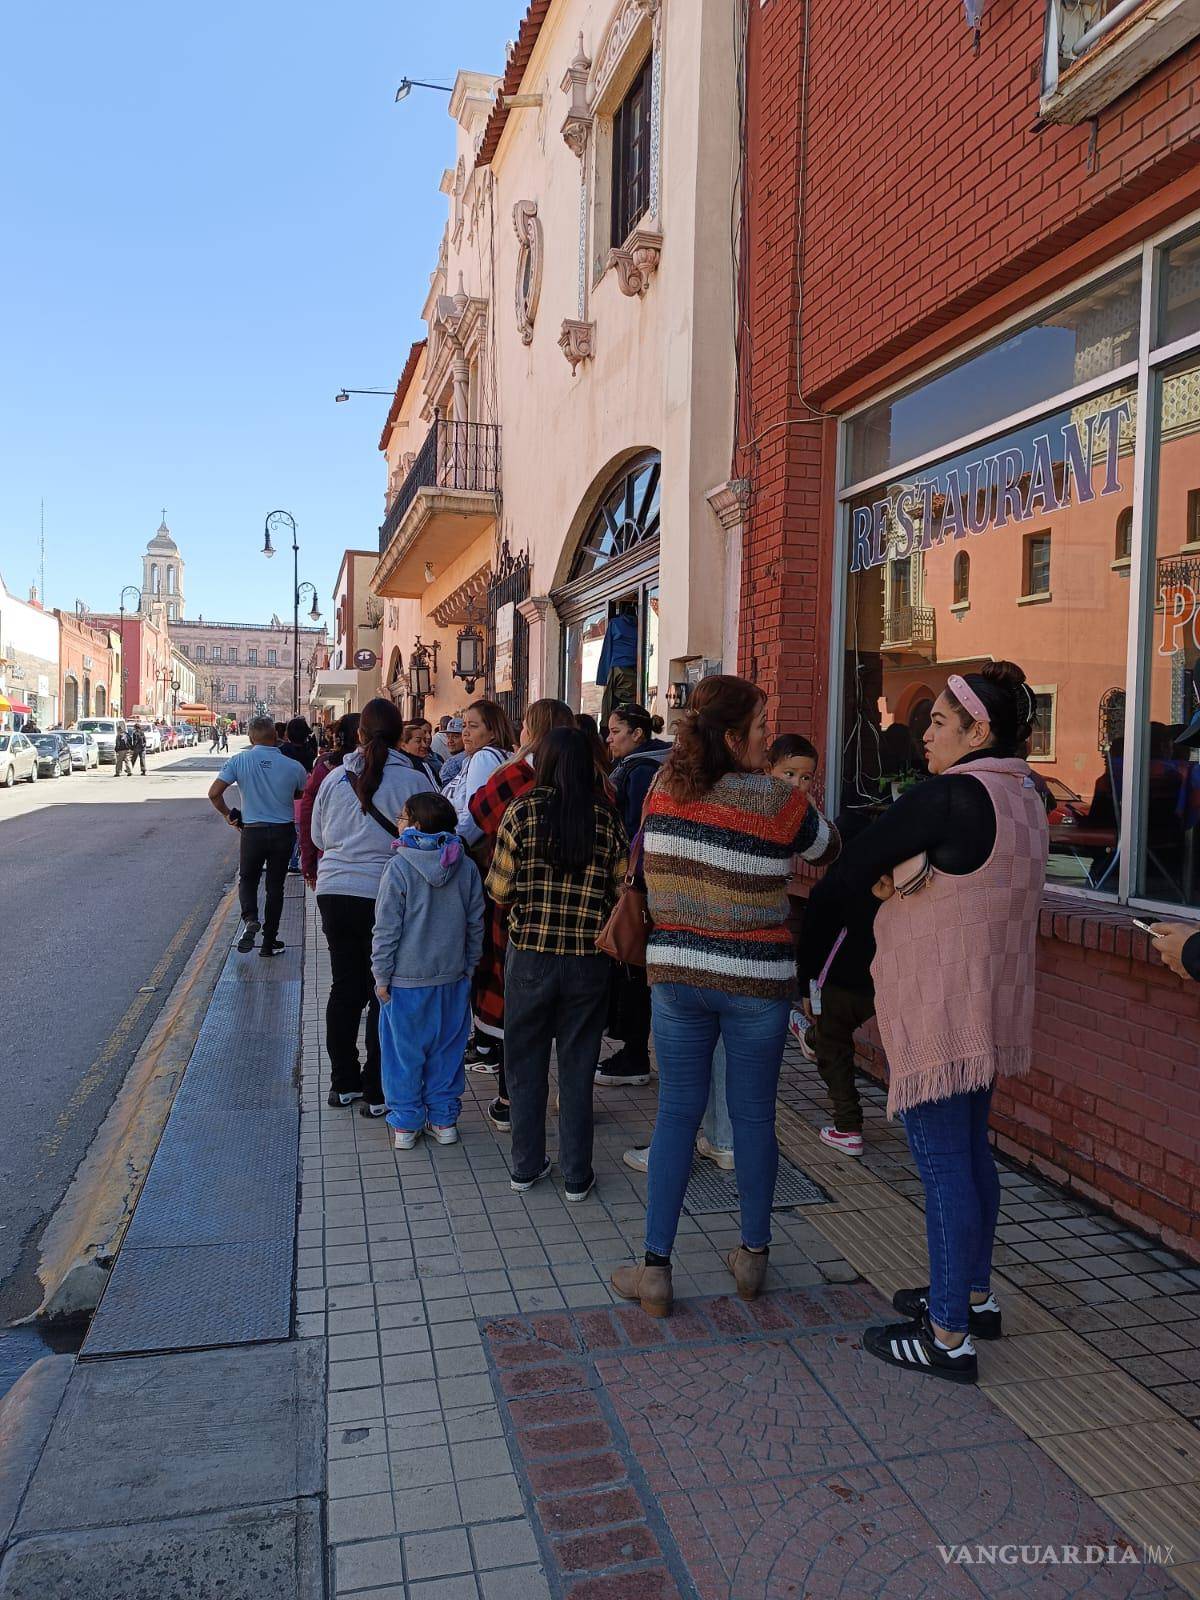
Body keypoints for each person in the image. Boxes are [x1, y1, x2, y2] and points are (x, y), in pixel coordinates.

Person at [829, 662, 1048, 1384]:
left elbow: (855, 859)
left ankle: (948, 1336)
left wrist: (886, 878)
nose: (924, 733)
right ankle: (972, 1295)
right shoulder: (1027, 794)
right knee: (971, 1155)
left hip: (940, 1008)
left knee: (946, 1165)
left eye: (940, 723)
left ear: (979, 730)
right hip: (988, 1002)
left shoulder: (956, 794)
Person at [610, 675, 838, 1318]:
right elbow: (830, 848)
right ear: (734, 736)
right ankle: (752, 1258)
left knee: (677, 1115)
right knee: (754, 1117)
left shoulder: (662, 789)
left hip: (678, 976)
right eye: (764, 727)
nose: (771, 737)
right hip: (756, 982)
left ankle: (655, 1267)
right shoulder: (776, 799)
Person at [487, 727, 629, 1199]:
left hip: (530, 956)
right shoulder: (607, 819)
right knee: (578, 1066)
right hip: (588, 961)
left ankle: (525, 1167)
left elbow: (500, 890)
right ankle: (576, 1174)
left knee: (524, 1065)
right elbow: (620, 892)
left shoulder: (521, 812)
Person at [311, 698, 435, 1115]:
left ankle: (342, 1082)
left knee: (345, 987)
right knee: (385, 991)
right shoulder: (415, 779)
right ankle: (377, 1089)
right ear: (400, 734)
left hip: (336, 891)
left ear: (359, 735)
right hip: (389, 895)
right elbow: (436, 833)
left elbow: (317, 838)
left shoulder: (333, 779)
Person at [466, 699, 578, 1130]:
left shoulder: (520, 778)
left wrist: (513, 760)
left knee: (521, 1008)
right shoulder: (596, 780)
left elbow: (479, 810)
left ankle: (513, 1099)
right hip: (582, 919)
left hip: (522, 910)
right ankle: (571, 1102)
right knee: (573, 1017)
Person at [373, 792, 485, 1149]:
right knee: (447, 1051)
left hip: (406, 980)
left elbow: (386, 928)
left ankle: (406, 1123)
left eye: (403, 816)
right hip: (452, 976)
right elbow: (475, 922)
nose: (399, 821)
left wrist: (381, 975)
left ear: (417, 826)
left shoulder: (400, 867)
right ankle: (444, 1119)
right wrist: (469, 966)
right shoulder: (464, 866)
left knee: (403, 1054)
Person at [795, 829, 883, 1158]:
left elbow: (812, 942)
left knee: (834, 1048)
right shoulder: (887, 884)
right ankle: (811, 1036)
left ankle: (847, 1128)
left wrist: (806, 988)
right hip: (886, 983)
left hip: (840, 981)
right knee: (834, 1033)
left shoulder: (829, 888)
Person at [442, 700, 518, 1071]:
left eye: (473, 725)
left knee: (482, 951)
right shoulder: (487, 757)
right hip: (478, 860)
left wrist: (447, 847)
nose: (464, 732)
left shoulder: (486, 758)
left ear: (492, 729)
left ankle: (487, 1038)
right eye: (464, 725)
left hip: (475, 861)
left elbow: (474, 816)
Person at [603, 704, 672, 1090]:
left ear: (638, 734)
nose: (609, 738)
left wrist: (626, 877)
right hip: (647, 881)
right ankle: (633, 1050)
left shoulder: (641, 769)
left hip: (639, 884)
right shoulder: (649, 764)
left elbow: (633, 830)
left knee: (632, 965)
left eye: (616, 731)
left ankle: (634, 1054)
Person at [208, 715, 308, 958]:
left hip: (252, 831)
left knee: (248, 879)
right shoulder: (294, 766)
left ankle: (250, 918)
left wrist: (228, 814)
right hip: (283, 832)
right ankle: (269, 942)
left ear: (251, 737)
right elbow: (299, 794)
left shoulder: (239, 760)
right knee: (276, 887)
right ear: (276, 737)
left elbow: (214, 793)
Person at [299, 712, 360, 884]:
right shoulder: (390, 771)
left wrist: (309, 866)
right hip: (377, 870)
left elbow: (308, 821)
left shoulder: (324, 770)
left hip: (332, 865)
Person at [401, 718, 441, 783]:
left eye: (424, 740)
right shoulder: (419, 765)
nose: (424, 745)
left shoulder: (435, 758)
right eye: (418, 741)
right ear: (403, 745)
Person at [438, 718, 468, 789]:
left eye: (455, 737)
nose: (450, 741)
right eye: (448, 737)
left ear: (466, 737)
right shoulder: (474, 756)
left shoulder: (453, 762)